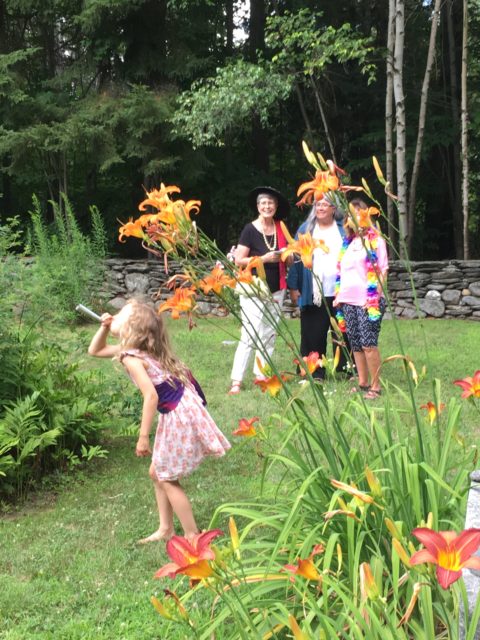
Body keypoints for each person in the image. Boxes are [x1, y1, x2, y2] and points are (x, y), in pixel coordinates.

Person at [88, 299, 231, 542]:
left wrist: (143, 437)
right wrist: (103, 327)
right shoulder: (138, 349)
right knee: (157, 472)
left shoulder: (132, 358)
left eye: (121, 314)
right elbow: (95, 351)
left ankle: (192, 535)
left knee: (166, 476)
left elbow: (151, 396)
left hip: (176, 414)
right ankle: (166, 529)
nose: (115, 315)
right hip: (183, 408)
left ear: (131, 329)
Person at [228, 186, 290, 395]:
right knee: (250, 333)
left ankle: (261, 374)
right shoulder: (250, 229)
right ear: (258, 206)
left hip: (277, 289)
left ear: (276, 206)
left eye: (270, 203)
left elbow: (290, 256)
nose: (267, 206)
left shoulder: (281, 228)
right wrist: (262, 259)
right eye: (263, 203)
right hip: (254, 289)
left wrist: (287, 256)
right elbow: (239, 260)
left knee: (269, 334)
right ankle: (237, 380)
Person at [287, 195, 351, 380]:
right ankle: (315, 371)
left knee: (343, 331)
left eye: (325, 204)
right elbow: (296, 260)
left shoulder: (343, 229)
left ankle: (347, 369)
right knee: (313, 331)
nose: (321, 207)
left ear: (334, 209)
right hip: (313, 291)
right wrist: (293, 286)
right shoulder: (305, 229)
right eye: (318, 204)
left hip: (341, 291)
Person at [333, 199, 389, 399]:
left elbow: (383, 271)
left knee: (368, 344)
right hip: (347, 300)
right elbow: (342, 272)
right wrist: (339, 295)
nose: (354, 218)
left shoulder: (376, 240)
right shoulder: (348, 242)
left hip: (368, 301)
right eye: (350, 215)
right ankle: (363, 382)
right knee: (355, 343)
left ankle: (376, 387)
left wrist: (375, 297)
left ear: (366, 215)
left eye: (359, 213)